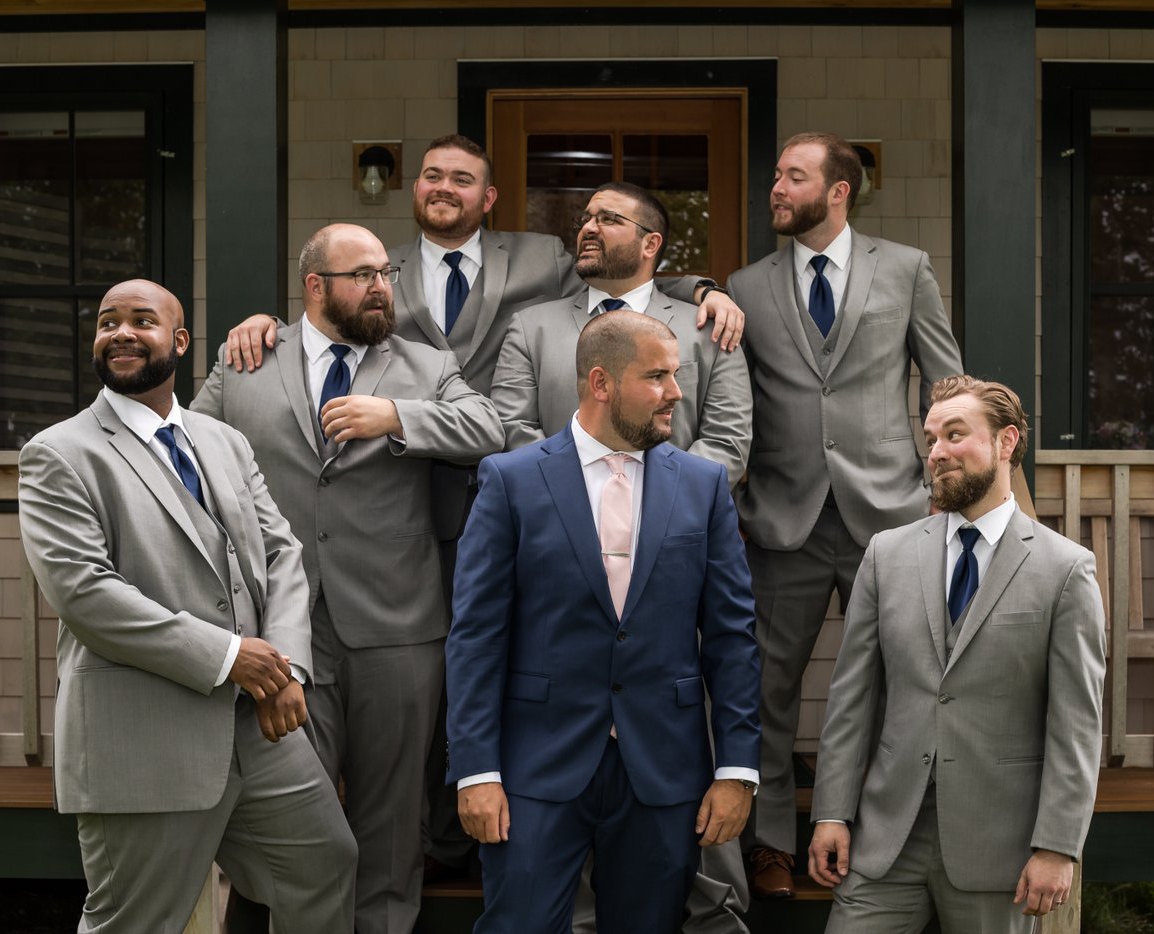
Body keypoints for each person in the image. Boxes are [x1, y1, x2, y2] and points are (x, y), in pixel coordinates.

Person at [219, 134, 747, 882]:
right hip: (449, 531)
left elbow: (629, 274)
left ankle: (679, 881)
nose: (443, 187)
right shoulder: (377, 277)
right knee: (457, 680)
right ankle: (457, 837)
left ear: (489, 197)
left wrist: (705, 289)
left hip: (493, 549)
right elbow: (497, 415)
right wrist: (263, 326)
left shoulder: (544, 259)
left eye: (462, 178)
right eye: (431, 174)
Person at [190, 223, 504, 934]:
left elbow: (491, 427)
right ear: (315, 286)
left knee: (391, 822)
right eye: (362, 275)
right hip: (281, 633)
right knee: (283, 817)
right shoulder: (245, 361)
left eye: (385, 273)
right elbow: (189, 457)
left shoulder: (427, 364)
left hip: (399, 627)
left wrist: (396, 416)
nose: (381, 287)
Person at [17, 279, 356, 932]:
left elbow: (281, 554)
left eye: (141, 320)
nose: (120, 332)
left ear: (178, 342)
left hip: (260, 729)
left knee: (327, 867)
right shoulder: (59, 454)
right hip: (145, 735)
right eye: (107, 322)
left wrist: (282, 667)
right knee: (137, 921)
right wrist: (231, 658)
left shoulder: (223, 440)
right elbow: (86, 593)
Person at [446, 311, 762, 934]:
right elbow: (476, 638)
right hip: (535, 767)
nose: (676, 392)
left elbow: (733, 639)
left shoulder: (702, 486)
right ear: (601, 383)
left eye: (676, 375)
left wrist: (736, 770)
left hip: (662, 766)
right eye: (657, 376)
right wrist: (475, 771)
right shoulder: (511, 480)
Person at [726, 131, 964, 896]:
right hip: (780, 517)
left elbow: (945, 385)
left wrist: (945, 485)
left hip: (890, 516)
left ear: (838, 191)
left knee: (896, 683)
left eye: (793, 176)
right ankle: (770, 845)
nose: (776, 188)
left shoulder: (906, 268)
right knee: (766, 686)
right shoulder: (745, 285)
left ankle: (872, 836)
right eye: (775, 175)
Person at [806, 374, 1106, 933]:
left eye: (955, 434)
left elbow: (1076, 725)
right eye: (931, 439)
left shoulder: (1064, 570)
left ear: (1006, 441)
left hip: (999, 848)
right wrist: (832, 812)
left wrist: (1058, 846)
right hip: (886, 839)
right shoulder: (886, 556)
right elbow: (852, 700)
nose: (937, 452)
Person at [493, 180, 751, 489]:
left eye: (608, 219)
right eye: (585, 219)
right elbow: (514, 426)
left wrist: (661, 500)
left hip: (673, 508)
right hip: (558, 504)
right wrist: (574, 495)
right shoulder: (530, 328)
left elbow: (726, 440)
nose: (588, 228)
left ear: (650, 244)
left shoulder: (711, 330)